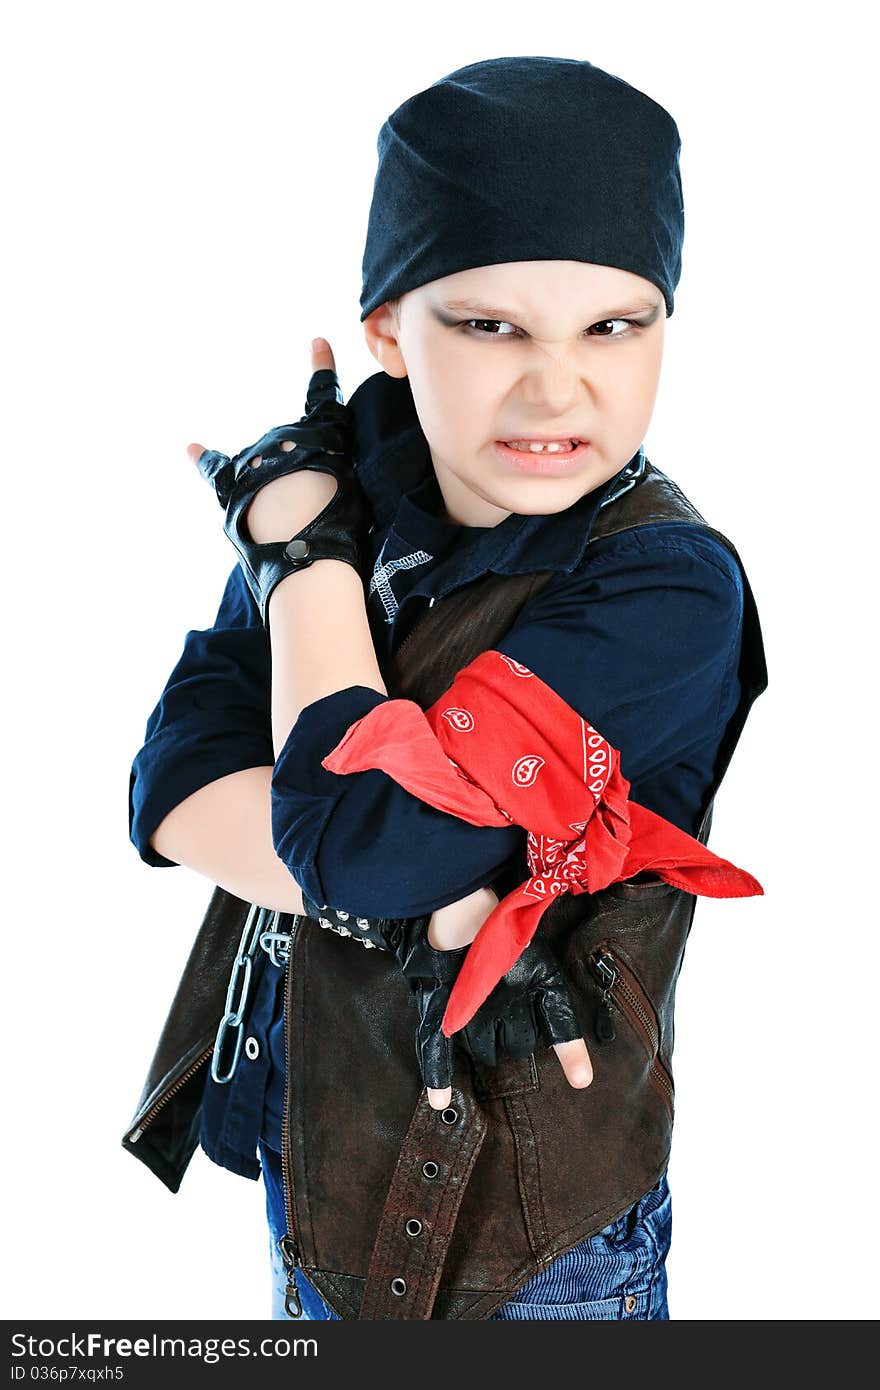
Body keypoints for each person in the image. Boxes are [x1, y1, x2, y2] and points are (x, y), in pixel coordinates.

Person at [126, 56, 766, 1320]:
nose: (556, 383)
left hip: (538, 1253)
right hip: (317, 1173)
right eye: (489, 325)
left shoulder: (663, 591)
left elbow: (358, 844)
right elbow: (170, 781)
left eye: (612, 325)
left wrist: (300, 556)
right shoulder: (355, 476)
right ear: (385, 331)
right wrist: (412, 889)